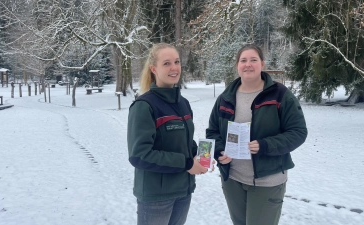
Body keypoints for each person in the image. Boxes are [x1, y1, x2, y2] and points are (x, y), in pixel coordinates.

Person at [206, 44, 308, 225]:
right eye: (243, 60)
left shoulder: (280, 95)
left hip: (267, 181)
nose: (248, 65)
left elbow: (298, 132)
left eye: (253, 60)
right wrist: (220, 151)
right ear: (237, 65)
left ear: (262, 63)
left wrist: (265, 145)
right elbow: (213, 131)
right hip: (233, 179)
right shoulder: (226, 97)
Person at [127, 43, 208, 225]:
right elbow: (139, 155)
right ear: (154, 69)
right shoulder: (144, 106)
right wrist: (187, 164)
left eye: (177, 62)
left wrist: (201, 156)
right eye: (166, 63)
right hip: (156, 196)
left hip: (183, 191)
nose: (174, 67)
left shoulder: (183, 103)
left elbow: (183, 144)